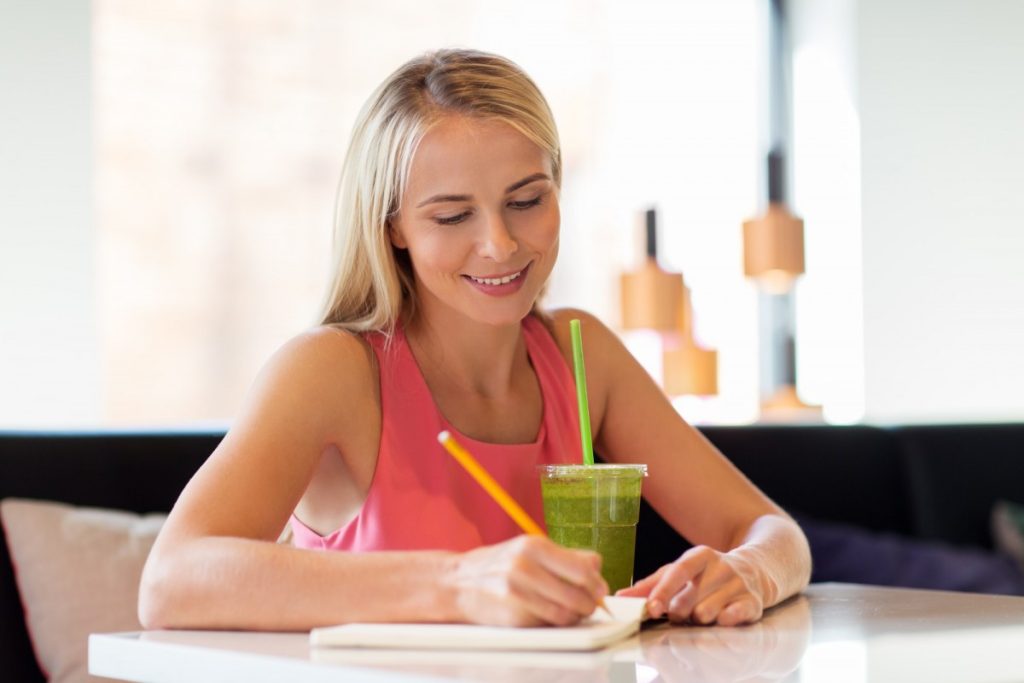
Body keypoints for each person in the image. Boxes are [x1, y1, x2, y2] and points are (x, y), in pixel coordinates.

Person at [138, 48, 811, 631]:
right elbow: (171, 580)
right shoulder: (332, 370)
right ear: (393, 224)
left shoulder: (581, 355)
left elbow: (774, 533)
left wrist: (748, 572)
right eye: (453, 214)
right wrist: (460, 584)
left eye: (526, 201)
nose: (500, 243)